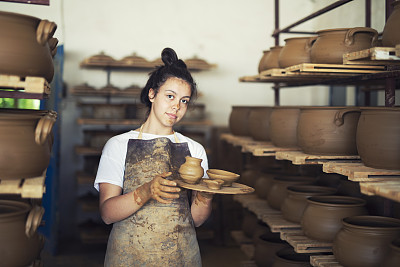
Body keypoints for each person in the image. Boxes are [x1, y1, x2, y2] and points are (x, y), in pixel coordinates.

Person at [94, 47, 213, 266]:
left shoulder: (195, 150)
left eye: (184, 101)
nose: (176, 106)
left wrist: (207, 195)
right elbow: (107, 214)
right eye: (170, 96)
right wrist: (146, 190)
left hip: (181, 257)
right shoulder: (118, 145)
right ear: (152, 94)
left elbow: (195, 220)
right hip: (129, 257)